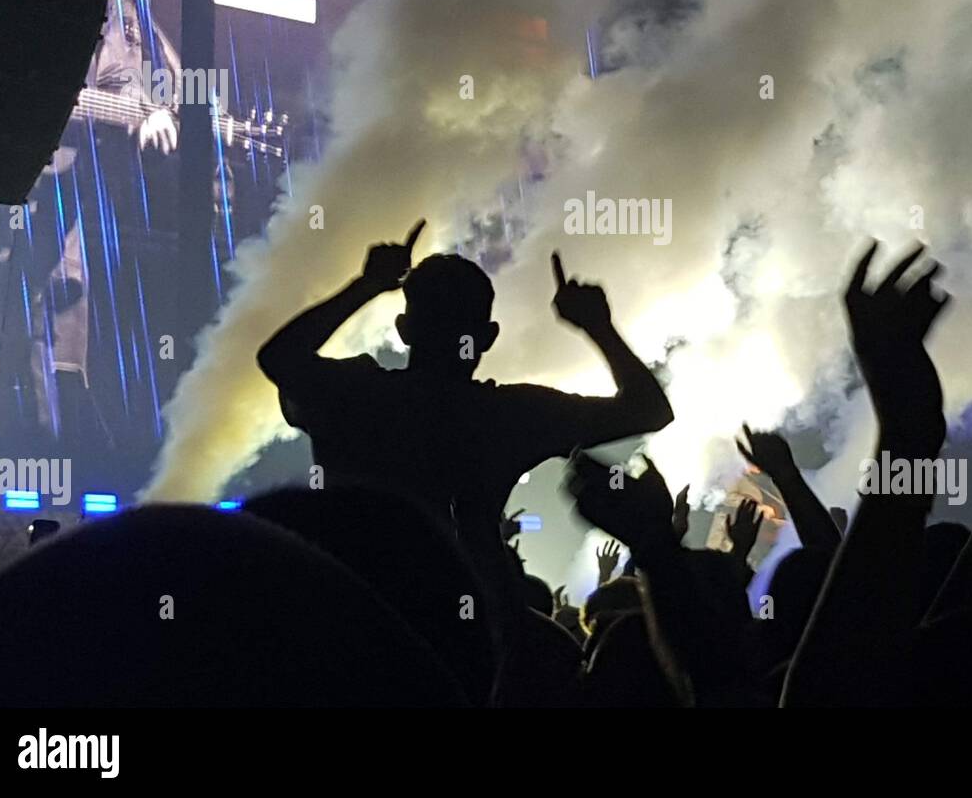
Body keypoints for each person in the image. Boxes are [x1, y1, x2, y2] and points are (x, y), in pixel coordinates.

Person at [256, 221, 674, 601]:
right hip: (459, 620)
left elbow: (278, 358)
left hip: (348, 607)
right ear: (488, 337)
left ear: (404, 329)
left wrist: (367, 284)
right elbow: (647, 410)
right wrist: (598, 327)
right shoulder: (512, 415)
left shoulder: (356, 392)